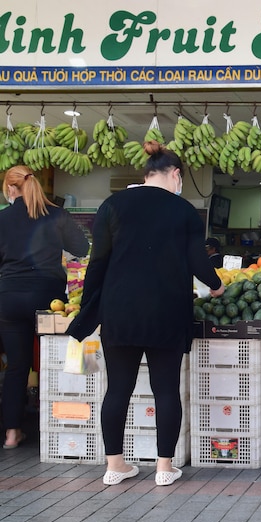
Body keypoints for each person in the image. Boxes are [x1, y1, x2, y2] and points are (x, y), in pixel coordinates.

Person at [68, 141, 225, 487]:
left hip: (119, 310)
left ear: (146, 174)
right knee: (166, 389)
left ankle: (114, 466)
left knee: (117, 389)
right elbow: (198, 260)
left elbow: (98, 263)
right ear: (175, 175)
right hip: (167, 311)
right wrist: (216, 285)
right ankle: (164, 468)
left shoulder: (113, 205)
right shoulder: (184, 211)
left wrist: (88, 309)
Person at [0, 166, 90, 449]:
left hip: (9, 297)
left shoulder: (2, 218)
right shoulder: (56, 214)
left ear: (11, 189)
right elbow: (82, 248)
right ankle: (64, 426)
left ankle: (12, 433)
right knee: (56, 364)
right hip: (47, 299)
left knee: (17, 366)